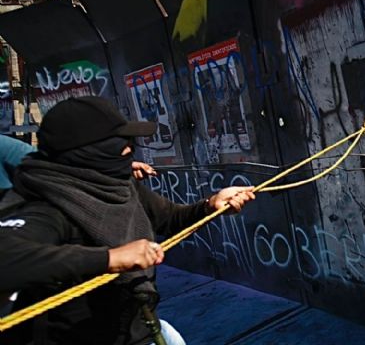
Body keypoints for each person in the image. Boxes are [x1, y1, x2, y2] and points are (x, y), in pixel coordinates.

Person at [0, 96, 256, 345]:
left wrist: (210, 205)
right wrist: (110, 258)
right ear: (89, 152)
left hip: (137, 326)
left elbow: (169, 218)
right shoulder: (46, 204)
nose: (129, 149)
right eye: (119, 143)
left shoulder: (115, 181)